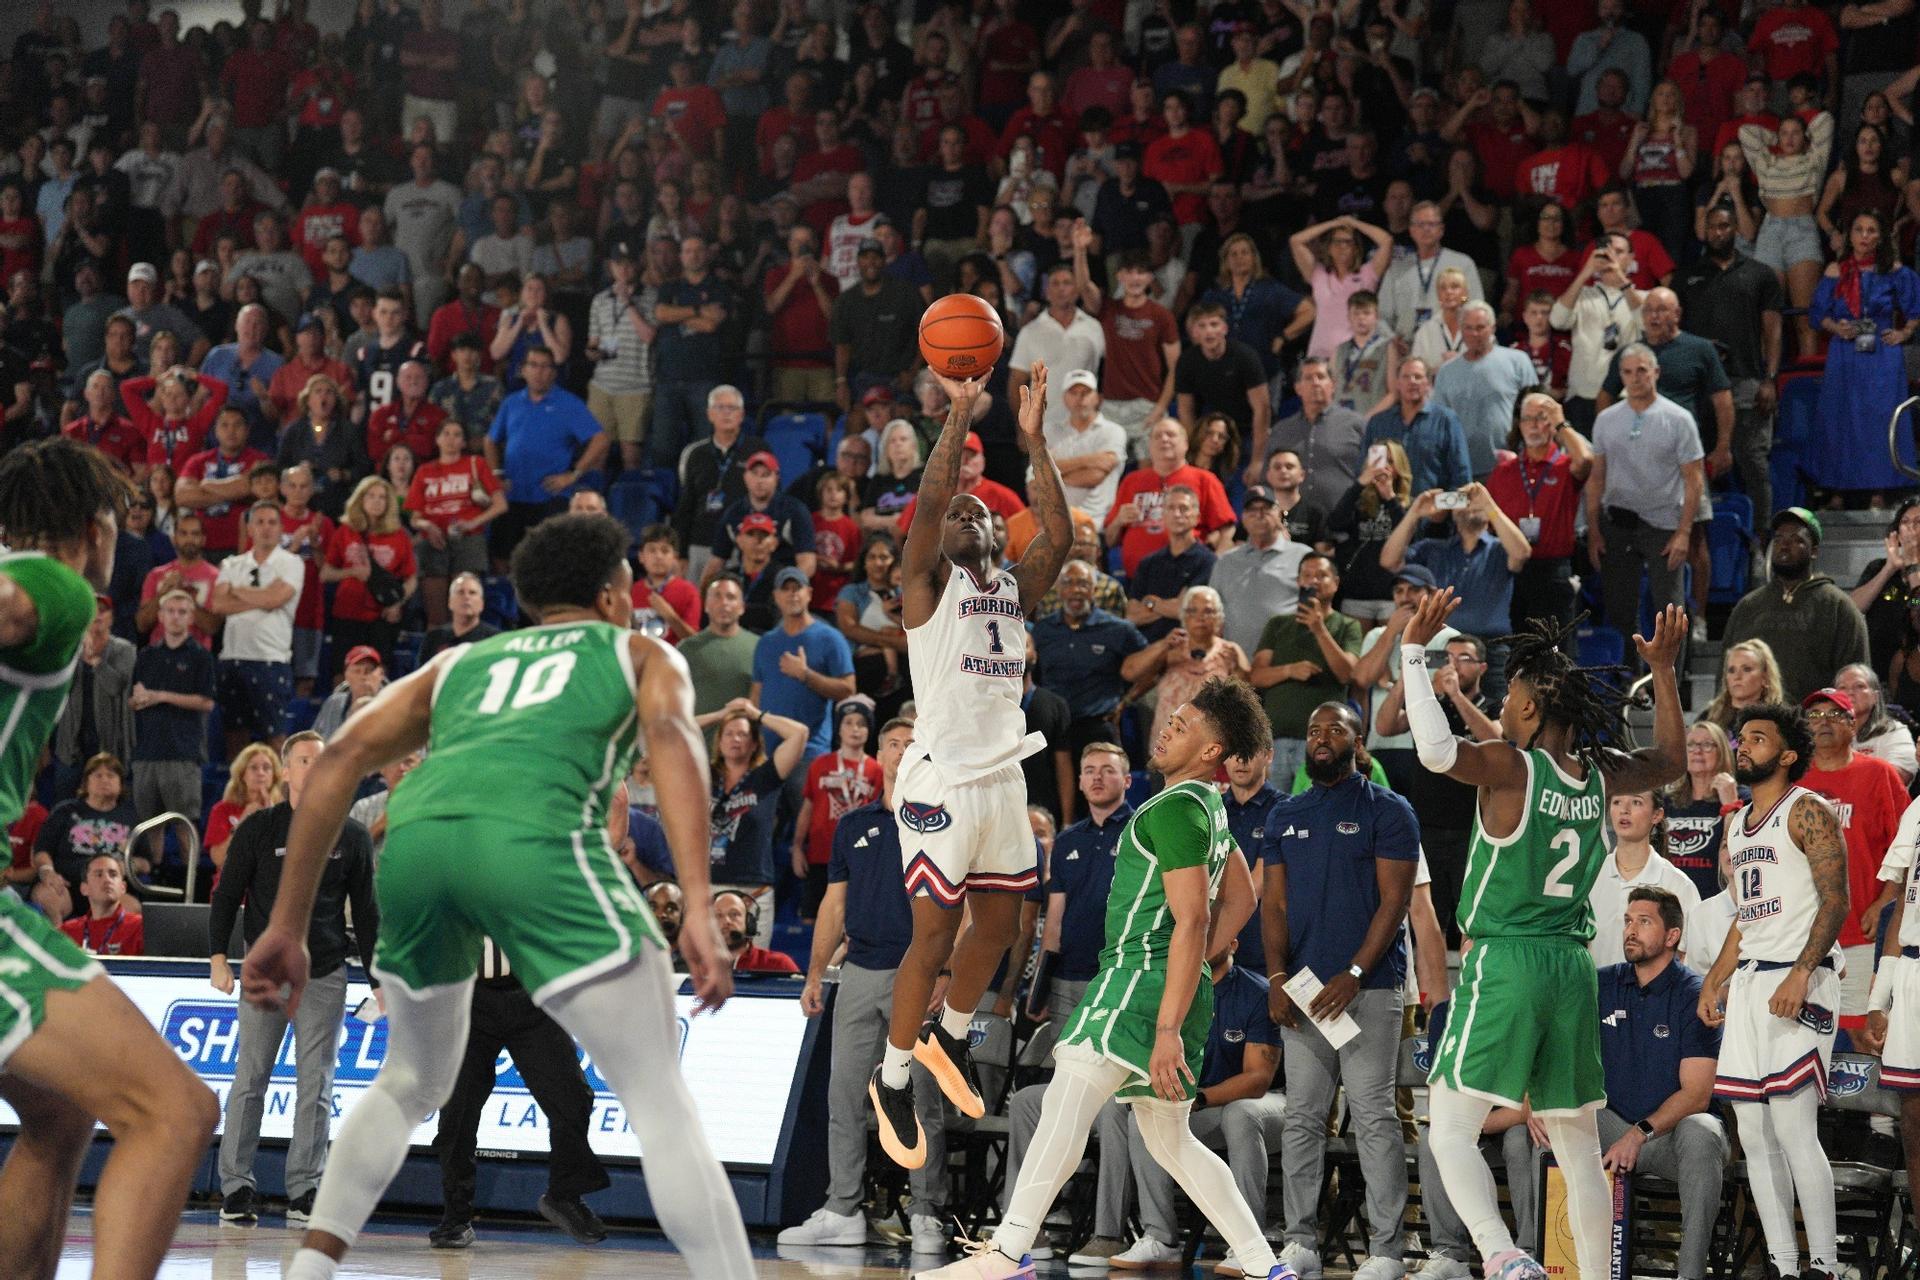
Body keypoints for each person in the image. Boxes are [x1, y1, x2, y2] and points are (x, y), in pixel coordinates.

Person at [240, 513, 758, 1280]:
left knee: (410, 1080)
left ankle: (310, 1267)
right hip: (532, 844)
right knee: (657, 1095)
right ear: (616, 594)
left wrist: (287, 922)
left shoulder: (459, 663)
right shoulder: (641, 650)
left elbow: (342, 754)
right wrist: (698, 899)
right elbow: (679, 747)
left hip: (415, 847)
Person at [916, 679, 1286, 1280]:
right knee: (1172, 1142)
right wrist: (1184, 972)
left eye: (1184, 725)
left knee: (1064, 1109)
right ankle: (1264, 1264)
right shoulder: (1210, 809)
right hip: (1166, 989)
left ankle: (1007, 1253)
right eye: (1172, 717)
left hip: (1136, 987)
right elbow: (1242, 896)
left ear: (1213, 751)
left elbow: (1195, 917)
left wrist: (1167, 1013)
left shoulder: (1174, 808)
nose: (1167, 726)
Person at [1406, 590, 1688, 1280]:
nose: (1501, 706)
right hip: (1570, 966)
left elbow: (1437, 751)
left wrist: (1411, 652)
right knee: (1574, 1138)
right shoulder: (1601, 774)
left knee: (1446, 1128)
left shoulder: (1511, 767)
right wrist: (1668, 672)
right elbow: (1673, 762)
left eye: (1506, 697)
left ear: (1529, 708)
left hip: (1506, 960)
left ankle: (1502, 1256)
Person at [868, 360, 1071, 1172]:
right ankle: (891, 1076)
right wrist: (958, 412)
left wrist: (1034, 442)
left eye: (978, 511)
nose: (964, 512)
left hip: (1001, 775)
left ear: (995, 535)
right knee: (936, 930)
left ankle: (947, 1036)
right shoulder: (925, 583)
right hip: (941, 778)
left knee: (1003, 924)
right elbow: (931, 495)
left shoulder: (1015, 590)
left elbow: (1059, 531)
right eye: (954, 511)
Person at [1264, 702, 1418, 1280]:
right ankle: (1300, 1242)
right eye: (1312, 730)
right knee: (1303, 1117)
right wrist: (1277, 977)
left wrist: (1352, 973)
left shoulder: (1389, 809)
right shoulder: (1287, 813)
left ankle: (1387, 1251)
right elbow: (1273, 904)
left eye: (1334, 729)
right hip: (1304, 992)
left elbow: (1394, 903)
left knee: (1374, 1116)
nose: (1321, 737)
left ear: (1358, 741)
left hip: (1369, 988)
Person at [785, 717, 950, 1255]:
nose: (903, 752)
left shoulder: (945, 819)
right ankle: (842, 1208)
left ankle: (927, 1212)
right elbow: (833, 905)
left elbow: (962, 905)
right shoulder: (854, 825)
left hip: (918, 974)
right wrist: (815, 972)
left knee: (919, 1101)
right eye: (894, 744)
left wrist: (946, 974)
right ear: (879, 754)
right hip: (857, 972)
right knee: (844, 1096)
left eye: (912, 744)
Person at [1698, 703, 1848, 1280]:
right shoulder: (1737, 823)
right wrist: (1715, 978)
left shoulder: (1807, 810)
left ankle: (1826, 1266)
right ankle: (1787, 1267)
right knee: (1753, 1132)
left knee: (1791, 1126)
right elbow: (1747, 914)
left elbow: (1837, 898)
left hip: (1801, 977)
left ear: (1786, 755)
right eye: (1743, 737)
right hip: (1753, 978)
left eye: (1758, 739)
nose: (1744, 745)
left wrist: (1801, 973)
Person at [209, 731, 377, 1227]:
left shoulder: (351, 836)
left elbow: (367, 912)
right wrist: (218, 958)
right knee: (250, 1079)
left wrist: (379, 979)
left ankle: (305, 1189)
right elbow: (226, 896)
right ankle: (236, 1187)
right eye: (305, 759)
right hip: (265, 974)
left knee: (317, 1084)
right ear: (287, 771)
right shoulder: (259, 828)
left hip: (325, 972)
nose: (315, 766)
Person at [1797, 685, 1909, 1022]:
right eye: (1814, 715)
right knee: (1804, 1035)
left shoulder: (1880, 775)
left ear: (1853, 724)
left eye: (1834, 714)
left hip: (1862, 932)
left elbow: (1908, 850)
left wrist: (1884, 903)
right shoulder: (1791, 780)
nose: (1823, 721)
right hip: (1802, 933)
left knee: (1863, 1035)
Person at [1675, 206, 1785, 520]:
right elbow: (1673, 330)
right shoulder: (1686, 278)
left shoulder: (1760, 274)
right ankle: (1703, 534)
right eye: (1712, 227)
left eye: (1724, 226)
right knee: (1695, 463)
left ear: (1735, 228)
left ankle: (1762, 540)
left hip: (1746, 380)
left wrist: (1770, 378)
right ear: (1704, 230)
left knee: (1753, 462)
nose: (1718, 233)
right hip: (1698, 387)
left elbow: (1773, 330)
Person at [1808, 211, 1920, 496]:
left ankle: (1879, 490)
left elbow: (1915, 307)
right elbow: (1817, 313)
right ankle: (1838, 490)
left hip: (1882, 353)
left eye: (1871, 231)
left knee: (1879, 419)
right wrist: (1836, 327)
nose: (1865, 236)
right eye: (1859, 230)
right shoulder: (1837, 271)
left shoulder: (1895, 271)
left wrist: (1903, 333)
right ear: (1850, 235)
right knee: (1841, 419)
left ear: (1881, 237)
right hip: (1846, 351)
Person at [1723, 509, 1871, 703]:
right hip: (1753, 725)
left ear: (1814, 551)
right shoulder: (1748, 607)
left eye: (1796, 539)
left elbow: (1855, 679)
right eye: (1778, 539)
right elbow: (1725, 675)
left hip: (1814, 725)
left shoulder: (1838, 607)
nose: (1784, 545)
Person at [483, 344, 609, 565]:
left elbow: (600, 439)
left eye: (545, 367)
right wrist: (496, 474)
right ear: (523, 370)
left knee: (549, 558)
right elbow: (490, 440)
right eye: (533, 365)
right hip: (513, 493)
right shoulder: (511, 402)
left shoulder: (568, 403)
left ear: (553, 372)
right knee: (501, 556)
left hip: (550, 496)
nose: (539, 372)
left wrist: (574, 474)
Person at [210, 501, 303, 757]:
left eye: (272, 522)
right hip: (233, 658)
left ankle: (283, 796)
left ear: (281, 528)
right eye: (260, 522)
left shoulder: (291, 562)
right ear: (250, 528)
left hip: (270, 659)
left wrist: (237, 592)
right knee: (234, 737)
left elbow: (276, 600)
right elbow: (218, 604)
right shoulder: (232, 564)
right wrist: (263, 598)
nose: (266, 528)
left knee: (276, 737)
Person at [1586, 791, 1702, 968]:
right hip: (1593, 992)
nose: (1624, 810)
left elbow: (1690, 957)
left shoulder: (1678, 885)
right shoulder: (1589, 876)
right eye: (1617, 802)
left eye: (1636, 802)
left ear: (1656, 815)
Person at [60, 853, 144, 957]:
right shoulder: (67, 931)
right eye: (99, 874)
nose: (107, 880)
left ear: (123, 887)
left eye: (113, 874)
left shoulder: (140, 927)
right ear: (84, 888)